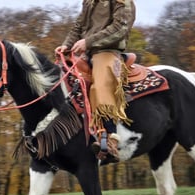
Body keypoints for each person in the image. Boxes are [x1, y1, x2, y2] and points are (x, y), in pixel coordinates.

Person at [55, 0, 136, 165]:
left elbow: (120, 28)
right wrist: (66, 45)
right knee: (59, 78)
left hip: (107, 51)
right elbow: (78, 26)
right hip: (86, 53)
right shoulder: (89, 1)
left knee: (100, 85)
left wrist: (88, 42)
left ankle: (111, 141)